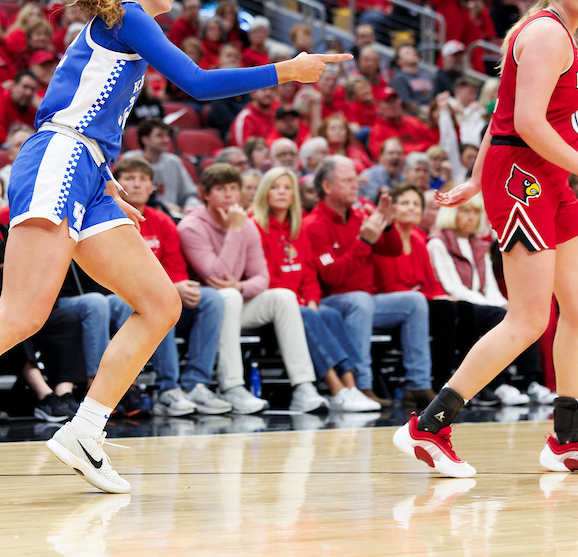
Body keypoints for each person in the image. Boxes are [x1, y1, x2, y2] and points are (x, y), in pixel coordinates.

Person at [0, 0, 348, 491]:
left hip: (87, 169)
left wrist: (105, 174)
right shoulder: (128, 14)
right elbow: (195, 83)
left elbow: (82, 106)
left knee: (160, 304)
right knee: (22, 313)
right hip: (60, 161)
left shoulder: (122, 22)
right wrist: (286, 70)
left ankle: (85, 431)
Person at [394, 0, 578, 477]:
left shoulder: (557, 33)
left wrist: (475, 178)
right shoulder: (546, 34)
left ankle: (566, 438)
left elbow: (500, 111)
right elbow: (524, 122)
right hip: (524, 179)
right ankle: (428, 427)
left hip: (545, 178)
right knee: (528, 318)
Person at [179, 164, 329, 414]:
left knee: (283, 296)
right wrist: (234, 231)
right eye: (220, 189)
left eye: (233, 189)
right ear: (206, 194)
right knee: (227, 296)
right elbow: (216, 276)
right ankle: (232, 386)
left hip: (236, 304)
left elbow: (262, 278)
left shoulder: (247, 225)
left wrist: (240, 285)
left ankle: (303, 386)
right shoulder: (192, 227)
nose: (229, 195)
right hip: (203, 313)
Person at [0, 169, 85, 421]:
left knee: (65, 321)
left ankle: (64, 393)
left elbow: (26, 258)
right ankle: (44, 395)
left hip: (19, 300)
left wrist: (7, 259)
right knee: (14, 319)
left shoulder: (3, 229)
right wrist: (12, 256)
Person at [301, 156, 435, 409]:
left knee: (415, 301)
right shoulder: (312, 225)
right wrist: (364, 242)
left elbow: (393, 250)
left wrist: (387, 224)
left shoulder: (360, 214)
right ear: (327, 186)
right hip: (332, 303)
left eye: (355, 180)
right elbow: (332, 278)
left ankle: (418, 384)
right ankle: (361, 384)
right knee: (360, 301)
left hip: (366, 300)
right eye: (347, 181)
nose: (356, 186)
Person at [250, 167, 382, 412]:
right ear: (264, 192)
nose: (281, 192)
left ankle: (351, 386)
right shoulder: (255, 226)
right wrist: (301, 303)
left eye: (287, 188)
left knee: (329, 314)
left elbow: (309, 273)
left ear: (294, 195)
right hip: (272, 304)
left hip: (300, 302)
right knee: (308, 314)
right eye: (275, 187)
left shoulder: (298, 228)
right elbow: (265, 275)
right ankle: (337, 389)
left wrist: (311, 299)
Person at [112, 159, 233, 416]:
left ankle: (196, 385)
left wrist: (178, 286)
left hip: (163, 292)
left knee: (212, 299)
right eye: (130, 178)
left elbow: (176, 267)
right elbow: (114, 271)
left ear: (152, 187)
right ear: (116, 185)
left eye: (143, 179)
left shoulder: (162, 220)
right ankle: (167, 389)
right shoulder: (108, 220)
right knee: (159, 302)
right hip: (121, 299)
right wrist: (168, 289)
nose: (137, 184)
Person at [426, 193, 553, 405]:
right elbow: (453, 287)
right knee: (499, 316)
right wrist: (496, 306)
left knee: (521, 314)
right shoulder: (438, 243)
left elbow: (490, 287)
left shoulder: (479, 245)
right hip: (459, 306)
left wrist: (504, 304)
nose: (470, 217)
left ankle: (532, 381)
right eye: (465, 211)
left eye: (475, 212)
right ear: (451, 213)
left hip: (482, 304)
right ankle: (498, 384)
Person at [121, 117, 201, 215]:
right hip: (139, 213)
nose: (166, 140)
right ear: (145, 139)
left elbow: (189, 195)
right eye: (160, 136)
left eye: (167, 135)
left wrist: (190, 206)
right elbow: (122, 195)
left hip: (173, 216)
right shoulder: (130, 160)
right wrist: (163, 206)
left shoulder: (173, 161)